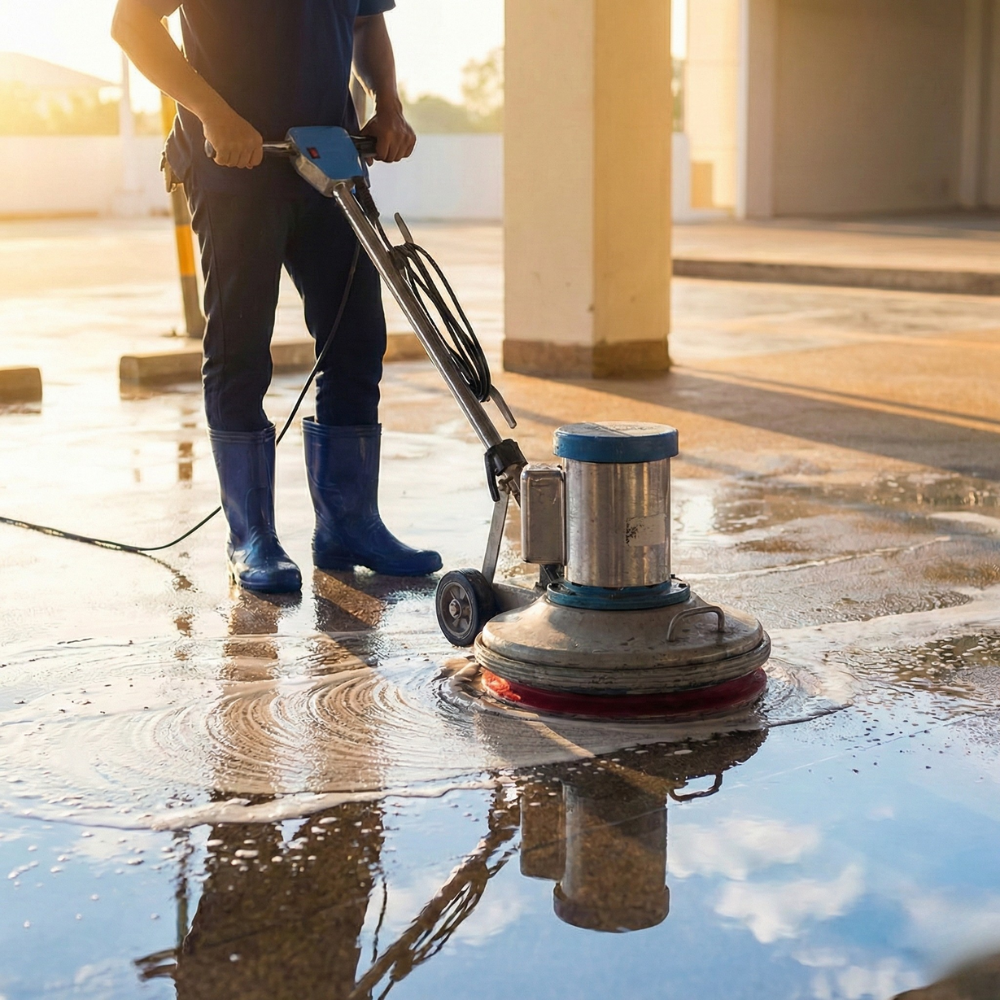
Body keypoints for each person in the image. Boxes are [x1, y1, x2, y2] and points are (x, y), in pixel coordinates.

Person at [111, 0, 442, 593]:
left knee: (357, 342)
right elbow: (131, 24)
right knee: (240, 350)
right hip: (234, 164)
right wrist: (213, 114)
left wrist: (388, 106)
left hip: (331, 162)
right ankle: (251, 537)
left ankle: (348, 524)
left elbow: (367, 21)